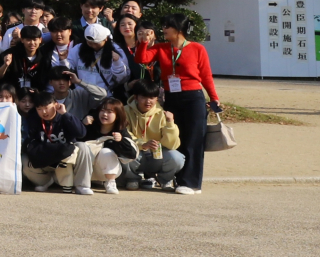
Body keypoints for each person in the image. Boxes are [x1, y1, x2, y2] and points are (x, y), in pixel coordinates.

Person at [134, 15, 219, 194]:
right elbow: (141, 60)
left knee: (194, 140)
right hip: (172, 97)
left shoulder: (197, 48)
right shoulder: (161, 48)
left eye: (168, 26)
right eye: (163, 26)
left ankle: (191, 183)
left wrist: (213, 98)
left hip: (193, 97)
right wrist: (143, 41)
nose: (164, 30)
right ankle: (177, 180)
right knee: (175, 139)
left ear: (179, 29)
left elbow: (206, 75)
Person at [21, 89, 90, 195]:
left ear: (56, 105)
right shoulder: (34, 119)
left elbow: (81, 133)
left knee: (83, 146)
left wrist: (65, 114)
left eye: (46, 108)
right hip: (46, 158)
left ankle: (82, 185)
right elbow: (31, 142)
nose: (44, 112)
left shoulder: (64, 117)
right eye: (39, 109)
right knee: (24, 159)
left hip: (66, 159)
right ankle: (47, 181)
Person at [122, 81, 185, 190]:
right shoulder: (125, 111)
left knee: (177, 157)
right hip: (137, 154)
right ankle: (132, 178)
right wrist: (143, 144)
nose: (148, 101)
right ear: (135, 97)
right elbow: (125, 134)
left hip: (157, 154)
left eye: (152, 97)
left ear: (157, 99)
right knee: (122, 153)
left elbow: (172, 145)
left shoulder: (162, 114)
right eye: (144, 97)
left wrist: (170, 123)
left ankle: (165, 179)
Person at [82, 97, 135, 194]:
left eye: (110, 112)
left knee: (106, 152)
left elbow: (132, 154)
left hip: (108, 172)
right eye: (102, 110)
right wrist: (82, 125)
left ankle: (110, 183)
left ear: (118, 115)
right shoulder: (89, 125)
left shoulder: (120, 131)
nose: (105, 114)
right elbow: (75, 141)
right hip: (85, 170)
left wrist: (121, 141)